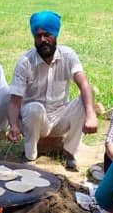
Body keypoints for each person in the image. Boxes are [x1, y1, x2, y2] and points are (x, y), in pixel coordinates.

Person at [7, 11, 98, 171]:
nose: (43, 40)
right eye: (38, 36)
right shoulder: (25, 62)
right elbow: (15, 101)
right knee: (34, 108)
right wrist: (13, 125)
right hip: (34, 120)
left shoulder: (68, 55)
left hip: (60, 117)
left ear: (55, 35)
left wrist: (91, 114)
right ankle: (30, 157)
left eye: (47, 35)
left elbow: (83, 83)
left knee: (83, 99)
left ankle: (70, 153)